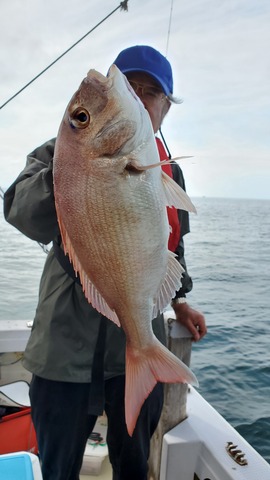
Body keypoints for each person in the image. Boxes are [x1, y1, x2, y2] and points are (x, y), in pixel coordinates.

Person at [3, 45, 207, 480]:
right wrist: (75, 163)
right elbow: (19, 210)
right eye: (130, 85)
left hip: (137, 342)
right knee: (58, 466)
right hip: (63, 348)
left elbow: (174, 246)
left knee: (133, 465)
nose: (137, 95)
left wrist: (182, 302)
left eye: (150, 92)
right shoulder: (60, 151)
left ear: (165, 108)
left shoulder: (169, 171)